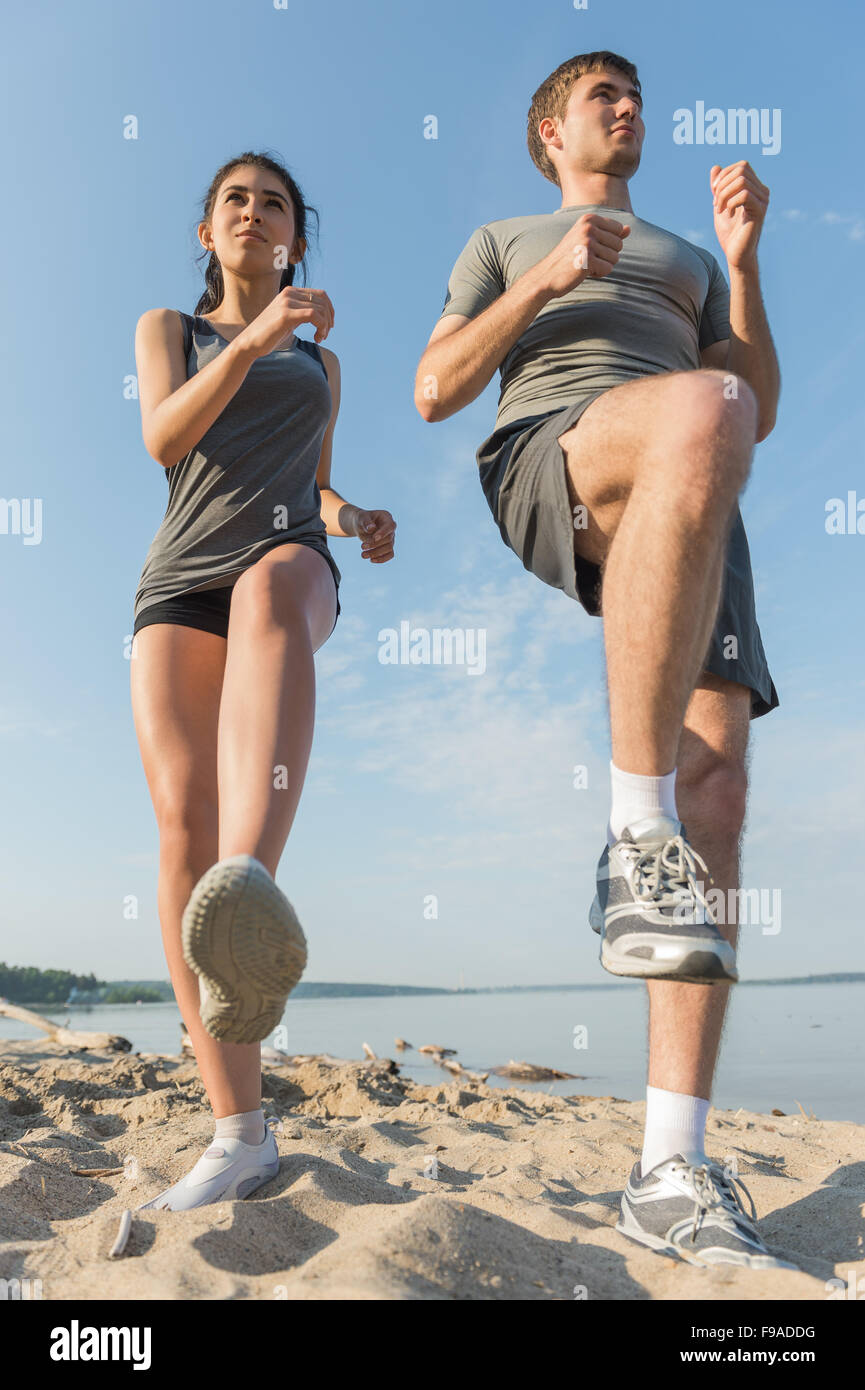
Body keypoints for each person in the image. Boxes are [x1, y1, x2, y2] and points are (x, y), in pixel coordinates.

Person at [414, 53, 793, 1269]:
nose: (629, 111)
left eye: (637, 98)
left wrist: (738, 260)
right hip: (556, 449)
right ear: (549, 131)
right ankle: (634, 836)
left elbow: (755, 400)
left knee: (719, 787)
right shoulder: (498, 236)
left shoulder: (685, 256)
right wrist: (545, 281)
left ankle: (668, 1166)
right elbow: (435, 387)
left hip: (696, 481)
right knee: (697, 412)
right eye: (602, 98)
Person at [130, 152, 396, 1210]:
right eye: (233, 200)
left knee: (275, 584)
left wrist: (353, 517)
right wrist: (250, 336)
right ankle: (240, 1132)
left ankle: (249, 894)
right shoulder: (169, 330)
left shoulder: (321, 366)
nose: (252, 212)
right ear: (209, 233)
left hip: (287, 562)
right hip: (179, 580)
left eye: (272, 203)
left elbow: (315, 484)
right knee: (180, 826)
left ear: (295, 238)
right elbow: (164, 434)